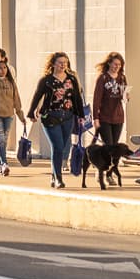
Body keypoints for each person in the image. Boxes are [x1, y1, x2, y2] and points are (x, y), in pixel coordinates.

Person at [27, 52, 84, 189]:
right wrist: (31, 113)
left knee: (64, 146)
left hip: (67, 117)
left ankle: (54, 175)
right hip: (51, 116)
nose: (63, 64)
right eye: (60, 62)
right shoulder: (46, 80)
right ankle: (58, 178)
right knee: (57, 147)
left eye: (65, 62)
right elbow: (37, 96)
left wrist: (81, 116)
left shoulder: (72, 79)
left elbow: (76, 98)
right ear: (53, 64)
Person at [91, 52, 128, 147]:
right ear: (109, 63)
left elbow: (125, 97)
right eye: (115, 64)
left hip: (118, 117)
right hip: (105, 117)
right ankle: (106, 162)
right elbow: (96, 99)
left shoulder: (122, 78)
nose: (117, 66)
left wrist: (126, 97)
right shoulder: (103, 78)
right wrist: (95, 118)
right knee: (108, 145)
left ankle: (111, 162)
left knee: (114, 146)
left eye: (119, 65)